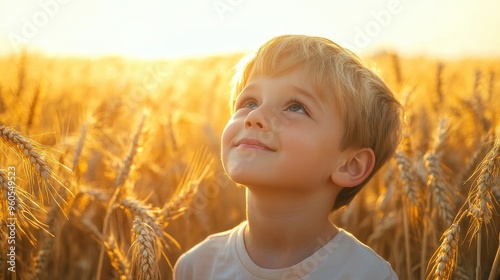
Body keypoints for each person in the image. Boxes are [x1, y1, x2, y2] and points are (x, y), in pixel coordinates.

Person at [174, 34, 402, 280]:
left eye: (296, 107)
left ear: (350, 165)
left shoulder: (368, 275)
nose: (256, 116)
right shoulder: (196, 267)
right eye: (250, 102)